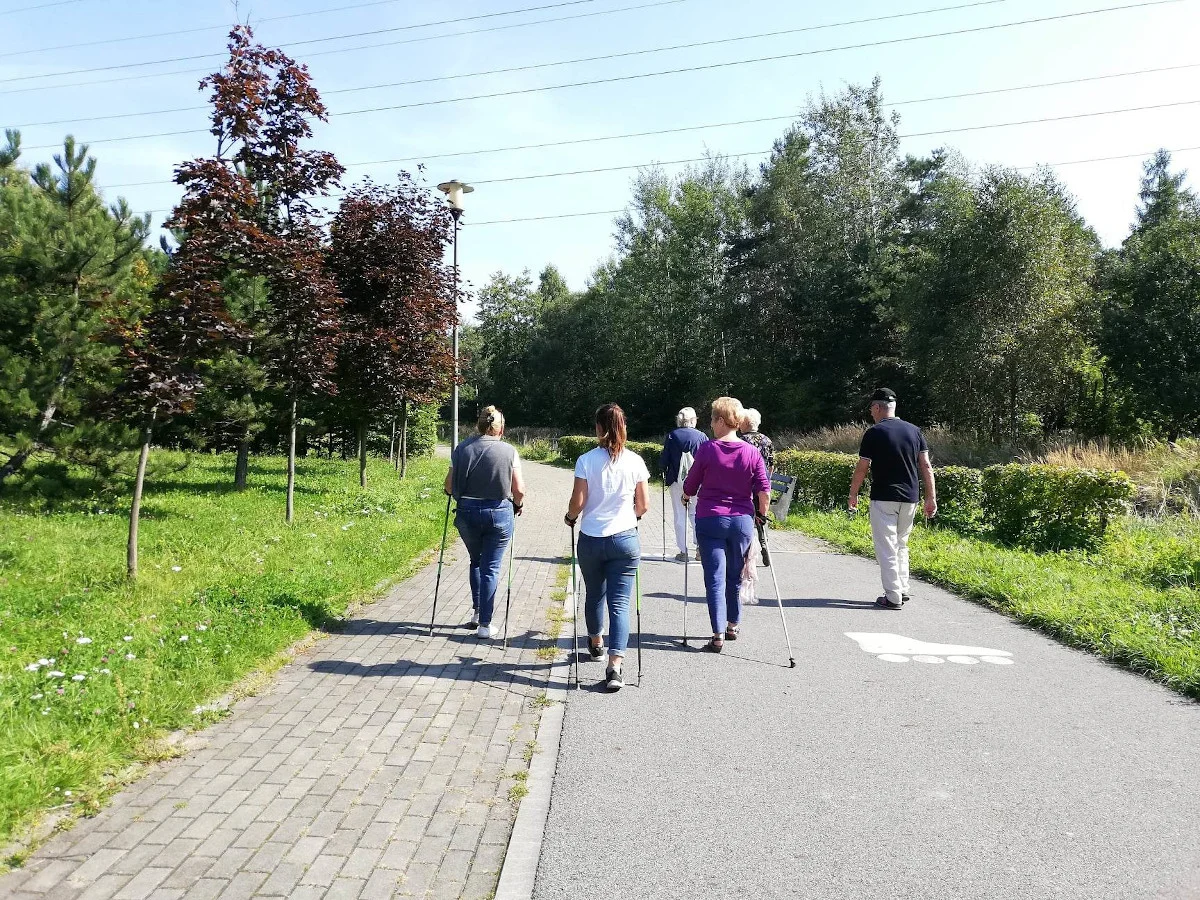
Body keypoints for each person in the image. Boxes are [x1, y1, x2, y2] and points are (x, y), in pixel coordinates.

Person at [565, 403, 650, 691]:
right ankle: (615, 667)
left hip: (591, 538)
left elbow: (578, 501)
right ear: (624, 427)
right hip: (625, 539)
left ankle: (596, 640)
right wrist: (630, 517)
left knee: (594, 594)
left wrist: (570, 517)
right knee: (621, 603)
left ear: (599, 428)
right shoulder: (636, 461)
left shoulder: (586, 460)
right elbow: (644, 505)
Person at [682, 397, 770, 653]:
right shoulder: (752, 452)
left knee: (714, 578)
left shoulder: (708, 450)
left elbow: (690, 484)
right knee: (734, 576)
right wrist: (761, 514)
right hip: (741, 521)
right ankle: (733, 624)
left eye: (712, 419)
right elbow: (763, 490)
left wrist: (685, 496)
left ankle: (717, 633)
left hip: (710, 519)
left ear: (721, 421)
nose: (710, 424)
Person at [847, 388, 937, 610]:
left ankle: (893, 596)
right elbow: (925, 465)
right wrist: (930, 497)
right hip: (910, 497)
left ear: (877, 407)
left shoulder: (874, 432)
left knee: (886, 546)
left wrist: (853, 493)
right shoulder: (915, 431)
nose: (871, 413)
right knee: (901, 543)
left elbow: (862, 467)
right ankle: (903, 588)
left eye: (871, 409)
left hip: (884, 496)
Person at [444, 406, 525, 639]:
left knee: (476, 562)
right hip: (498, 512)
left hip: (467, 513)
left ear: (479, 425)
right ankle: (485, 625)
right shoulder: (509, 451)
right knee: (491, 567)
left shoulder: (461, 449)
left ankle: (478, 613)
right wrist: (517, 504)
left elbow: (449, 486)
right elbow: (519, 490)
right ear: (502, 428)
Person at [660, 407, 706, 561]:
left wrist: (662, 470)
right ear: (693, 420)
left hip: (676, 481)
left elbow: (664, 460)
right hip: (698, 482)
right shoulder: (701, 436)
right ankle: (700, 548)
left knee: (680, 514)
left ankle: (683, 551)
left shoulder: (672, 436)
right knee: (696, 513)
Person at [739, 408, 776, 475]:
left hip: (748, 481)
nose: (739, 425)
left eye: (740, 422)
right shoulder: (767, 439)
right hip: (762, 480)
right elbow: (771, 465)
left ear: (746, 423)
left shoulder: (742, 440)